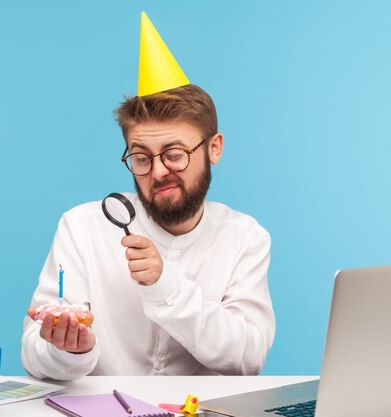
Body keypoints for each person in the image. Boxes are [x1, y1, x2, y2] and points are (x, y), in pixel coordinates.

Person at [21, 13, 275, 379]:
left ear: (214, 148)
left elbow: (247, 356)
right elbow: (34, 351)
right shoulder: (82, 227)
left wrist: (165, 284)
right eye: (140, 158)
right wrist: (70, 353)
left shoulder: (245, 238)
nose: (157, 172)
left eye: (174, 155)